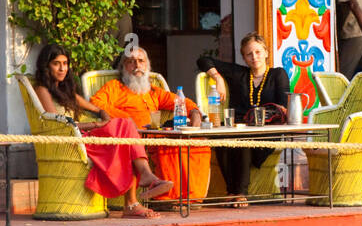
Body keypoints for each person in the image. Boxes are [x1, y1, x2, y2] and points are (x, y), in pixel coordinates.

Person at [33, 42, 172, 219]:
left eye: (65, 63)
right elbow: (59, 125)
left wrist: (103, 113)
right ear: (46, 66)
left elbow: (94, 107)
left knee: (125, 130)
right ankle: (136, 195)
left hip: (83, 136)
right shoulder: (43, 89)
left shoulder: (64, 89)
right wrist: (95, 125)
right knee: (126, 127)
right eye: (56, 64)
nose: (62, 69)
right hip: (69, 140)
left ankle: (138, 191)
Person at [90, 45, 209, 206]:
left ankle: (191, 198)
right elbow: (96, 103)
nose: (137, 65)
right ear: (123, 67)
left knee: (198, 145)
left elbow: (180, 101)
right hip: (131, 140)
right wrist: (126, 118)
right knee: (166, 147)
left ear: (147, 65)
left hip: (155, 136)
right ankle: (168, 199)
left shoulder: (153, 91)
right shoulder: (115, 87)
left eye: (141, 61)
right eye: (131, 62)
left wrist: (195, 111)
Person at [197, 32, 290, 207]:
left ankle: (239, 193)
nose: (254, 57)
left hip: (267, 131)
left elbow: (283, 106)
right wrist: (218, 77)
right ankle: (232, 192)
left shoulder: (278, 74)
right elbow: (203, 60)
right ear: (244, 57)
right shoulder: (238, 73)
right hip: (238, 127)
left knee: (244, 139)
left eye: (258, 52)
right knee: (220, 137)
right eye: (249, 54)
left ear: (266, 53)